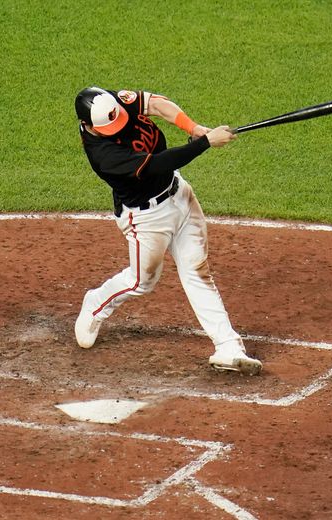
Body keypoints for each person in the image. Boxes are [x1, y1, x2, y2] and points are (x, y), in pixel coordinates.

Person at [73, 86, 262, 375]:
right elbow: (158, 164)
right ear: (88, 126)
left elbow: (157, 105)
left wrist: (194, 128)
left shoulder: (111, 103)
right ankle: (97, 303)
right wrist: (205, 142)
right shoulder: (104, 155)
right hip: (146, 220)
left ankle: (228, 346)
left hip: (180, 195)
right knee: (142, 282)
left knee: (197, 270)